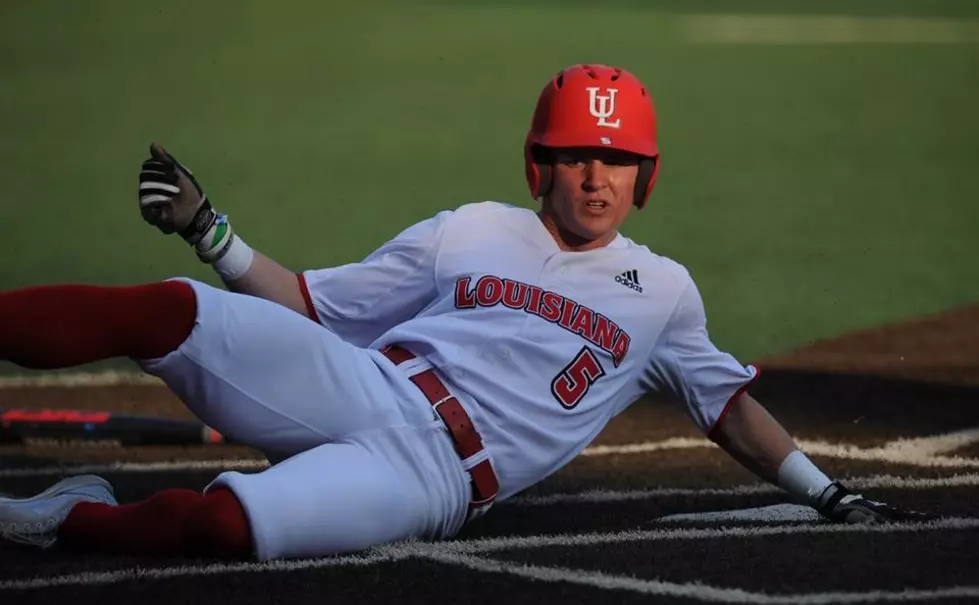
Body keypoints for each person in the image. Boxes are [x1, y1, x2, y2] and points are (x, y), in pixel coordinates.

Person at [0, 64, 932, 561]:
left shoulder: (666, 292)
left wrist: (823, 488)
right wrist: (210, 231)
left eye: (615, 159)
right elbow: (317, 306)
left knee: (219, 527)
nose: (596, 176)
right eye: (575, 155)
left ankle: (59, 519)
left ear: (644, 177)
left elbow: (727, 405)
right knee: (170, 309)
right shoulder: (468, 230)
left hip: (430, 480)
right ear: (540, 164)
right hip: (364, 381)